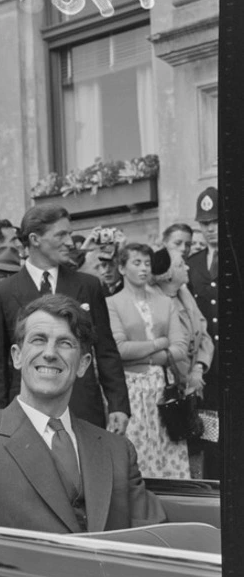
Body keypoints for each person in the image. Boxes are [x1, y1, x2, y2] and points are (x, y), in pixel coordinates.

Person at [0, 294, 166, 532]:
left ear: (83, 364)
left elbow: (155, 538)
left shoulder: (117, 450)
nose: (50, 353)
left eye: (65, 343)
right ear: (17, 356)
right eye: (39, 340)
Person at [0, 205, 130, 432]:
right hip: (25, 409)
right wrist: (0, 415)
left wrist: (118, 406)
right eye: (61, 235)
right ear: (35, 239)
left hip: (82, 406)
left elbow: (106, 350)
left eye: (70, 234)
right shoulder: (2, 292)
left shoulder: (88, 286)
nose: (70, 242)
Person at [106, 243, 190, 479]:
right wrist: (159, 344)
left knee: (168, 448)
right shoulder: (112, 303)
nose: (144, 269)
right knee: (137, 451)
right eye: (136, 263)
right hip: (131, 389)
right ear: (122, 268)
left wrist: (151, 355)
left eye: (147, 263)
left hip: (163, 387)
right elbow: (120, 348)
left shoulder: (164, 302)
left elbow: (180, 347)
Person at [151, 246, 213, 476]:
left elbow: (204, 333)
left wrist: (199, 368)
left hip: (196, 386)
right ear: (167, 275)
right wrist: (188, 380)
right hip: (173, 392)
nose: (187, 266)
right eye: (180, 264)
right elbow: (169, 350)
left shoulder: (185, 293)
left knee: (199, 445)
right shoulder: (155, 304)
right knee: (177, 450)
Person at [186, 186, 219, 478]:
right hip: (207, 366)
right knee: (211, 431)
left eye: (216, 222)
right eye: (205, 223)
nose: (211, 229)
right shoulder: (192, 264)